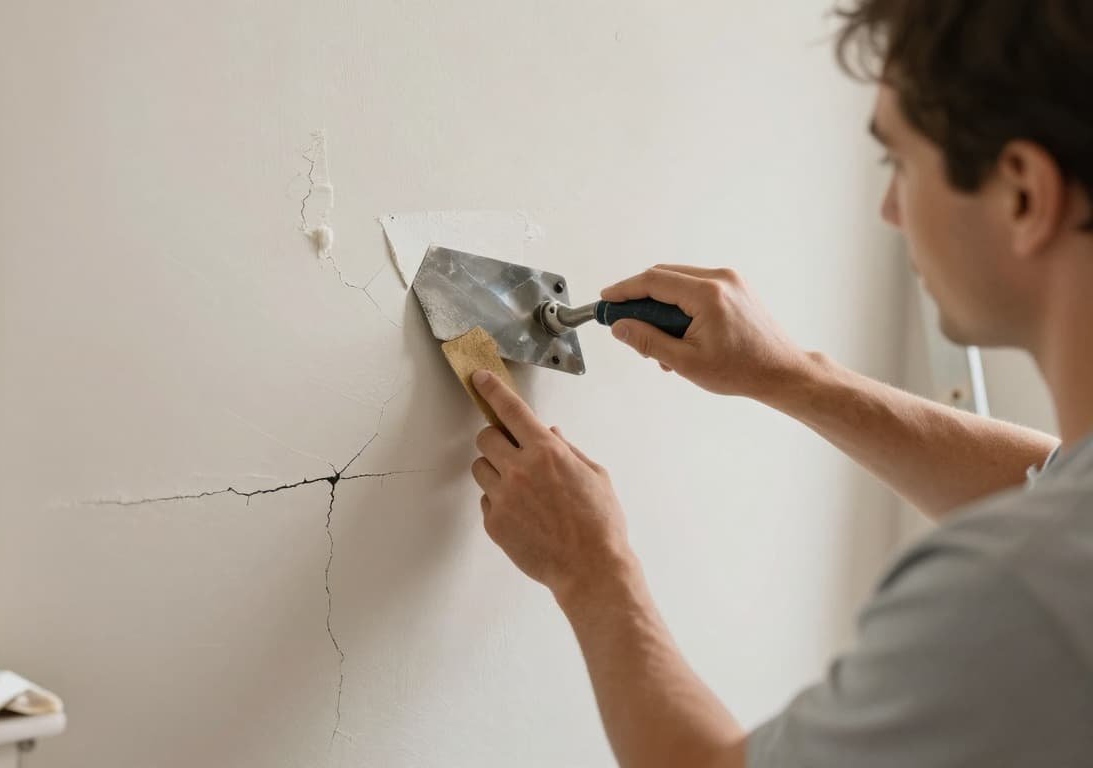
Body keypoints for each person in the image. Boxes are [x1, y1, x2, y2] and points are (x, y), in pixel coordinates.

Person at [468, 1, 1093, 765]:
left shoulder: (1010, 594)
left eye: (899, 163)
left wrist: (591, 569)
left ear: (1023, 193)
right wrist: (795, 377)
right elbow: (1054, 490)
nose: (890, 211)